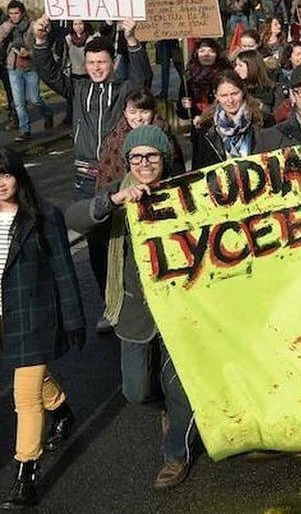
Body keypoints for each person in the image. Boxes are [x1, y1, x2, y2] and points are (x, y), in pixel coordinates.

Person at [66, 126, 199, 489]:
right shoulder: (117, 191)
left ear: (164, 159)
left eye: (152, 156)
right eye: (136, 157)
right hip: (135, 309)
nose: (144, 163)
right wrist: (113, 201)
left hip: (179, 308)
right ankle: (170, 409)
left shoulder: (186, 189)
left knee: (179, 386)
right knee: (136, 389)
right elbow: (75, 218)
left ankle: (176, 455)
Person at [30, 16, 151, 332]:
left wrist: (133, 39)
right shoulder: (78, 88)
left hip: (120, 175)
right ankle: (109, 305)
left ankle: (141, 300)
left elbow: (143, 79)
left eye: (103, 61)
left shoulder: (124, 90)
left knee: (130, 240)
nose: (97, 67)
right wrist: (41, 41)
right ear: (85, 63)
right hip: (86, 180)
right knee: (97, 244)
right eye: (92, 62)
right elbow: (48, 72)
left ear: (113, 62)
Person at [0, 147, 86, 509]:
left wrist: (73, 320)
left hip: (34, 314)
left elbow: (65, 274)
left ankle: (26, 473)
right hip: (3, 316)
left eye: (5, 174)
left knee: (24, 396)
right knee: (28, 376)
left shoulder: (44, 215)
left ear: (18, 175)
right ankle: (62, 409)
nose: (0, 184)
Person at [95, 88, 185, 188]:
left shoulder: (162, 135)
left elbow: (177, 168)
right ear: (125, 113)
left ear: (153, 111)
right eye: (132, 112)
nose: (138, 118)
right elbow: (106, 174)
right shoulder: (115, 138)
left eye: (144, 112)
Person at [0, 1, 53, 141]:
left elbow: (41, 45)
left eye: (16, 13)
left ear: (22, 12)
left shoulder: (31, 25)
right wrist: (6, 29)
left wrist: (28, 53)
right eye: (11, 14)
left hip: (31, 67)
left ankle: (47, 113)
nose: (14, 16)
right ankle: (25, 130)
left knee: (34, 99)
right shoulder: (7, 26)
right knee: (19, 102)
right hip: (13, 68)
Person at [191, 71, 265, 169]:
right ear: (216, 95)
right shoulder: (205, 128)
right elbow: (199, 170)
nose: (230, 100)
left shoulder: (261, 121)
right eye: (224, 96)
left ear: (242, 91)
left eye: (234, 94)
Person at [178, 39, 228, 121]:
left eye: (211, 51)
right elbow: (183, 114)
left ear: (217, 54)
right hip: (198, 126)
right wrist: (184, 107)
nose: (206, 55)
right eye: (202, 51)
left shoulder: (225, 76)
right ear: (196, 54)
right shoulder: (189, 77)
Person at [232, 49, 276, 122]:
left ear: (252, 67)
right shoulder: (237, 87)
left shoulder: (266, 91)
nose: (236, 69)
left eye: (240, 65)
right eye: (236, 65)